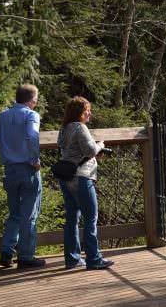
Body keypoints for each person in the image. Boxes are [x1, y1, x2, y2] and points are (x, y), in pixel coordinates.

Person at [57, 96, 114, 270]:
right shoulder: (80, 127)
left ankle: (72, 259)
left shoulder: (64, 129)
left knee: (72, 219)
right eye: (86, 110)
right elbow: (89, 150)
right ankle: (94, 259)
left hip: (66, 177)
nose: (89, 113)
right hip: (82, 177)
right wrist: (100, 145)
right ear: (78, 113)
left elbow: (68, 149)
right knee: (91, 218)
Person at [0, 84, 46, 269]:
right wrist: (34, 159)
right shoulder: (31, 115)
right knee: (29, 215)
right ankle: (25, 256)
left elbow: (0, 140)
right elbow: (32, 136)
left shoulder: (3, 116)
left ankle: (7, 252)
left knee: (15, 214)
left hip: (9, 170)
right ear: (32, 100)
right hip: (27, 168)